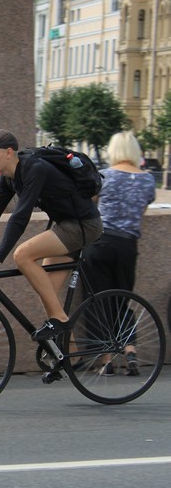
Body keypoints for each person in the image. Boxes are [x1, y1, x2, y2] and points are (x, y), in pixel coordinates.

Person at [0, 129, 103, 342]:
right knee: (47, 294)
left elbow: (20, 216)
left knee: (23, 254)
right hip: (66, 225)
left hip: (84, 225)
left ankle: (60, 320)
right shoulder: (8, 178)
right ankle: (68, 358)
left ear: (8, 152)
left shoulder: (35, 168)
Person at [81, 131, 155, 376]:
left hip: (100, 243)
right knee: (122, 299)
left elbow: (90, 207)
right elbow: (139, 214)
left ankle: (107, 359)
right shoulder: (148, 180)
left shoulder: (103, 176)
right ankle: (131, 350)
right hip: (127, 246)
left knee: (98, 300)